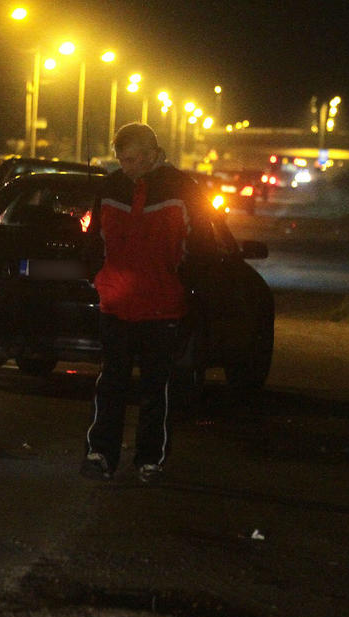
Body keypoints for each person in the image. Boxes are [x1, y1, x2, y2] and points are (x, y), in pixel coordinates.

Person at [81, 122, 213, 484]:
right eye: (123, 160)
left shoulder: (183, 189)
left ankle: (150, 459)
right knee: (111, 384)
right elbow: (94, 239)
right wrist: (99, 278)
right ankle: (100, 454)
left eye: (135, 159)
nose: (128, 167)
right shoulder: (110, 187)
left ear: (155, 154)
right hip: (117, 304)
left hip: (163, 308)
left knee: (157, 388)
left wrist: (185, 291)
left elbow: (201, 246)